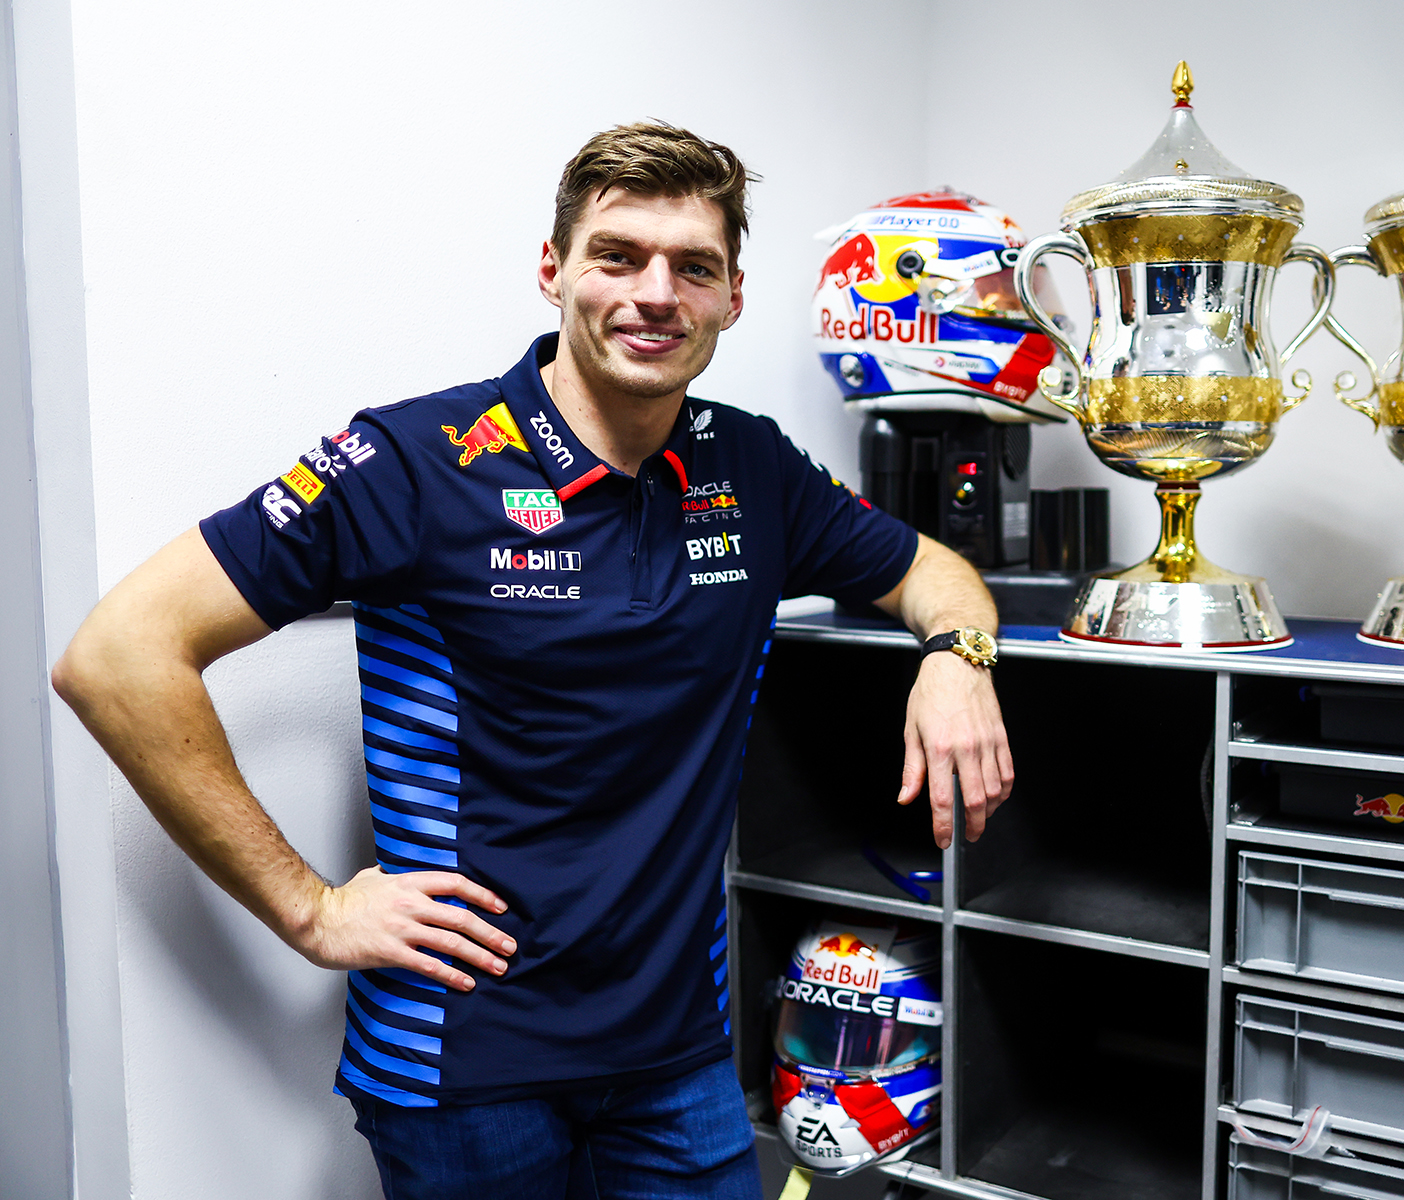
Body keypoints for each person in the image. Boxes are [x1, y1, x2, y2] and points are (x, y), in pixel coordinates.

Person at [52, 121, 1013, 1200]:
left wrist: (958, 656)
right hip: (463, 1076)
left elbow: (931, 571)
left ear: (733, 297)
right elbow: (119, 654)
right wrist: (310, 910)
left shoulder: (752, 464)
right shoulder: (414, 460)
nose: (656, 294)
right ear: (553, 271)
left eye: (693, 267)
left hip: (678, 1059)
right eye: (618, 256)